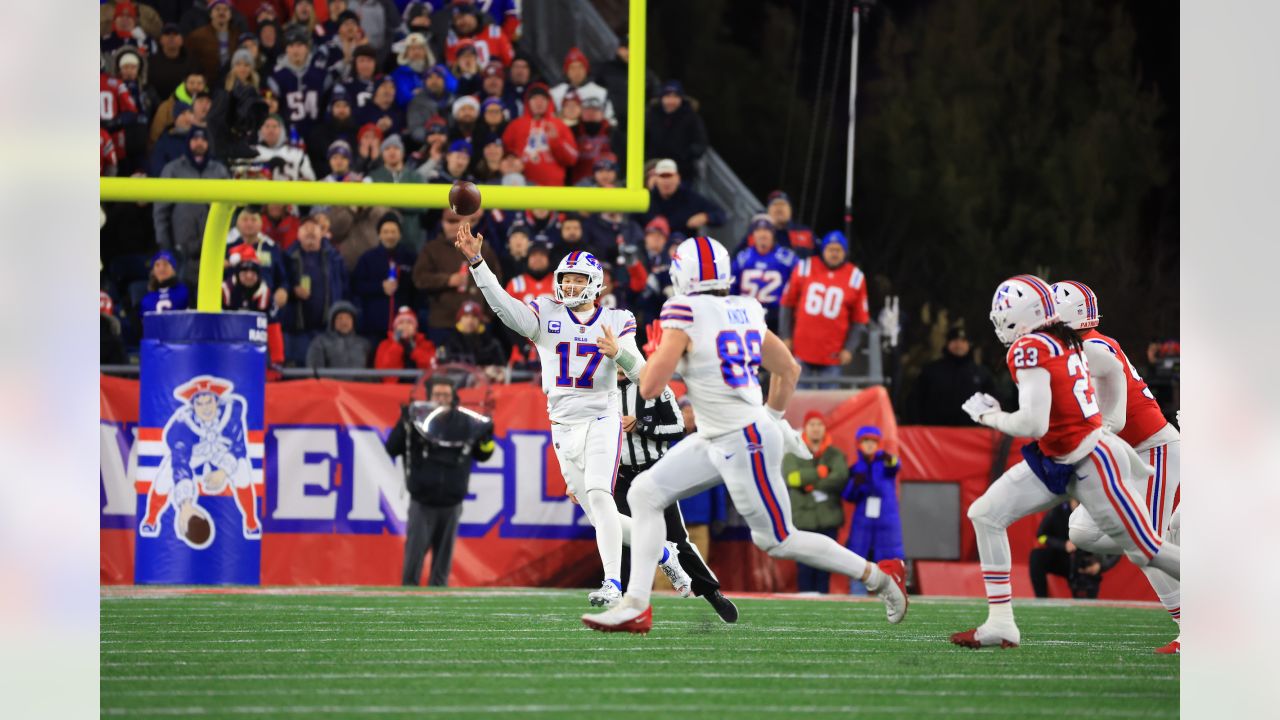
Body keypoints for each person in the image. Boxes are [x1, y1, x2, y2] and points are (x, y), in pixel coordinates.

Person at [582, 236, 908, 633]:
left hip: (742, 439)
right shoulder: (746, 308)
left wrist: (633, 353)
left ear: (682, 273)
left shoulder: (682, 310)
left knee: (778, 540)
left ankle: (881, 577)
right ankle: (636, 604)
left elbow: (648, 387)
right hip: (723, 434)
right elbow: (788, 369)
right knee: (645, 493)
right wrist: (773, 416)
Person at [454, 224, 696, 608]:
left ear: (595, 283)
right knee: (603, 517)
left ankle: (613, 583)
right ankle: (665, 553)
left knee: (602, 496)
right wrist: (477, 262)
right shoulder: (545, 311)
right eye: (564, 279)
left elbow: (644, 375)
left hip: (603, 417)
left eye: (577, 279)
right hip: (563, 425)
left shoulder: (617, 320)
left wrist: (619, 353)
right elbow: (503, 306)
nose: (568, 286)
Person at [950, 274, 1180, 649]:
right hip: (1058, 458)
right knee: (990, 515)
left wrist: (988, 416)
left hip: (1093, 457)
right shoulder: (1068, 339)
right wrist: (1110, 420)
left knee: (1147, 550)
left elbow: (1032, 422)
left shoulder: (1035, 347)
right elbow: (1109, 370)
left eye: (1004, 314)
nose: (998, 322)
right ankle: (1000, 623)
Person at [1053, 280, 1183, 654]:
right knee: (1081, 531)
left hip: (1151, 451)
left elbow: (1117, 419)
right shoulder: (1081, 347)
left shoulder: (1092, 348)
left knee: (1147, 545)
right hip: (1129, 456)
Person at [615, 369, 738, 621]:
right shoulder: (600, 391)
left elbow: (677, 427)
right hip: (620, 476)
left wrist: (641, 426)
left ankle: (711, 593)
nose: (617, 368)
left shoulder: (656, 389)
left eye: (622, 360)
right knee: (622, 540)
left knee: (678, 540)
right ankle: (624, 603)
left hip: (653, 474)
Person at [386, 377, 494, 586]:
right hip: (422, 502)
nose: (441, 399)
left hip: (452, 503)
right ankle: (407, 606)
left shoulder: (465, 422)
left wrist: (487, 439)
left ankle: (439, 612)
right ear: (429, 397)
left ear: (453, 398)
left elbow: (483, 455)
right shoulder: (416, 421)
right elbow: (392, 448)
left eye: (445, 395)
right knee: (412, 565)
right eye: (437, 395)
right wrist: (403, 424)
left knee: (442, 570)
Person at [779, 231, 870, 388]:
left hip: (832, 354)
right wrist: (786, 336)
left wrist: (849, 348)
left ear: (845, 252)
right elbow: (787, 304)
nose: (834, 254)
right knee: (798, 400)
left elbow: (859, 319)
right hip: (801, 349)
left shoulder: (855, 277)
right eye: (830, 249)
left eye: (838, 250)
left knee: (828, 405)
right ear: (823, 250)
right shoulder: (805, 267)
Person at [154, 127, 231, 290]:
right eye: (195, 139)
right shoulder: (173, 169)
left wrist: (227, 246)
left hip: (213, 248)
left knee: (213, 296)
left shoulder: (219, 170)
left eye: (203, 139)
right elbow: (161, 211)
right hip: (181, 249)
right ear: (188, 142)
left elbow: (230, 211)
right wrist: (165, 246)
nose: (199, 143)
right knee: (181, 297)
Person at [783, 412, 850, 594]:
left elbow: (841, 478)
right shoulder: (793, 453)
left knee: (825, 566)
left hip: (828, 519)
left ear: (824, 428)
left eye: (819, 424)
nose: (816, 428)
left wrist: (810, 483)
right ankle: (805, 602)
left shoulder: (835, 454)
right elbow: (792, 478)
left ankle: (824, 603)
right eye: (812, 424)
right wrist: (820, 473)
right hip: (803, 519)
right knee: (804, 566)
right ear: (806, 427)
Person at [412, 210, 501, 346]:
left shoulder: (483, 249)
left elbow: (497, 283)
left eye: (459, 221)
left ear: (468, 223)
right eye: (450, 221)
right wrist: (447, 280)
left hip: (476, 324)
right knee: (442, 366)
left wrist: (488, 315)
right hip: (443, 323)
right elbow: (419, 279)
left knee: (478, 366)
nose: (455, 226)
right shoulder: (431, 249)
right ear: (442, 223)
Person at [841, 426, 905, 595]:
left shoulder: (885, 463)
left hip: (886, 524)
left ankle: (889, 599)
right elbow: (848, 496)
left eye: (873, 442)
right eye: (865, 441)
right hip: (862, 525)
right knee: (859, 565)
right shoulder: (856, 469)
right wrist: (856, 484)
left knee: (887, 565)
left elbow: (896, 465)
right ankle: (857, 601)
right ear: (859, 444)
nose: (869, 445)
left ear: (878, 444)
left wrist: (890, 459)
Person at [283, 215, 347, 365]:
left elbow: (345, 288)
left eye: (314, 228)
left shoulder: (335, 258)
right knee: (297, 374)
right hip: (296, 331)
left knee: (327, 374)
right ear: (298, 234)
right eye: (306, 228)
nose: (310, 232)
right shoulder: (287, 257)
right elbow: (281, 284)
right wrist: (293, 291)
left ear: (322, 232)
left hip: (328, 330)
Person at [908, 326, 1000, 426]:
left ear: (969, 344)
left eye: (963, 341)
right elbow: (915, 400)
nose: (959, 345)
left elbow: (994, 401)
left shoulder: (981, 373)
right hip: (935, 433)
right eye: (955, 340)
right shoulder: (931, 370)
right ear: (947, 343)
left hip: (972, 434)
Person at [351, 213, 418, 344]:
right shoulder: (368, 258)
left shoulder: (410, 257)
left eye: (393, 232)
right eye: (385, 232)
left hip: (405, 328)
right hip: (373, 327)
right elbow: (356, 286)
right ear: (379, 235)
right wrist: (380, 287)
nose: (390, 236)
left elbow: (416, 288)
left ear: (400, 234)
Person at [1029, 500, 1118, 600]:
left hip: (1088, 563)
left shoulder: (1099, 512)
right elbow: (1041, 536)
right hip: (1064, 559)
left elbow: (1119, 544)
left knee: (1086, 603)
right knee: (1037, 556)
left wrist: (1101, 565)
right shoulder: (1057, 510)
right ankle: (1041, 600)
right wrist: (1063, 545)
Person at [221, 246, 286, 369]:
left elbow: (273, 327)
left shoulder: (265, 295)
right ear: (237, 273)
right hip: (226, 348)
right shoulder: (224, 291)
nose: (249, 276)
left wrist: (277, 360)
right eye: (245, 272)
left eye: (253, 272)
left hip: (255, 349)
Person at [502, 83, 579, 186]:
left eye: (543, 99)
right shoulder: (515, 126)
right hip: (522, 188)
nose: (539, 103)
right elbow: (505, 156)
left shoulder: (559, 125)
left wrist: (556, 141)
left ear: (549, 102)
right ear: (528, 102)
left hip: (553, 189)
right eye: (534, 98)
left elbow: (572, 159)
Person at [733, 214, 797, 332]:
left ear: (773, 233)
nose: (763, 234)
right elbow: (732, 289)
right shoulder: (742, 258)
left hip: (776, 318)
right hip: (746, 317)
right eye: (759, 230)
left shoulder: (787, 258)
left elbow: (797, 288)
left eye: (767, 230)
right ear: (753, 234)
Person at [267, 26, 331, 137]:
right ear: (286, 49)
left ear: (307, 48)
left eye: (299, 45)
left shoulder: (320, 73)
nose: (295, 50)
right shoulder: (276, 76)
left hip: (317, 133)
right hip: (287, 134)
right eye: (291, 46)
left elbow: (328, 105)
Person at [368, 135, 428, 249]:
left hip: (412, 237)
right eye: (387, 149)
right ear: (382, 154)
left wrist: (392, 202)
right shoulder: (374, 176)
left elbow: (424, 206)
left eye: (396, 148)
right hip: (381, 238)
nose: (392, 151)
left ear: (402, 152)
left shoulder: (415, 177)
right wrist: (407, 201)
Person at [645, 80, 708, 181]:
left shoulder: (691, 117)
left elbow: (700, 142)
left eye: (675, 96)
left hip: (682, 171)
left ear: (681, 98)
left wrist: (686, 155)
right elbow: (643, 139)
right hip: (654, 170)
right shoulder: (651, 114)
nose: (671, 100)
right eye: (668, 96)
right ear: (662, 98)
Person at [641, 159, 725, 234]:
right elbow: (632, 222)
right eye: (662, 176)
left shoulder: (690, 198)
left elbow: (720, 214)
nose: (666, 181)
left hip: (683, 246)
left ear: (678, 178)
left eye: (669, 176)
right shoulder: (647, 199)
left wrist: (706, 217)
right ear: (656, 180)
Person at [438, 300, 506, 376]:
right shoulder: (447, 340)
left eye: (474, 317)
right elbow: (442, 365)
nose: (470, 321)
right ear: (460, 319)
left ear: (479, 320)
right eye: (466, 316)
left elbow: (501, 366)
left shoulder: (491, 342)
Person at [550, 47, 616, 125]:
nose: (577, 72)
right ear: (566, 72)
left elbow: (611, 120)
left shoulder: (601, 92)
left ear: (586, 70)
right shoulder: (555, 93)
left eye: (580, 67)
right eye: (572, 68)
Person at [374, 306, 437, 383]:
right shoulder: (385, 345)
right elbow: (384, 372)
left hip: (420, 388)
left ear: (415, 328)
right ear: (395, 328)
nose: (405, 326)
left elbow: (433, 367)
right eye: (401, 323)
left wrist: (414, 351)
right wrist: (397, 345)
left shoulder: (426, 345)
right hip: (393, 389)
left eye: (409, 323)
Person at [185, 0, 236, 86]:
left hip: (231, 85)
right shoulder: (197, 36)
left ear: (230, 15)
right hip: (205, 85)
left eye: (225, 9)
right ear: (210, 14)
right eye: (217, 9)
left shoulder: (237, 36)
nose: (221, 12)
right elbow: (190, 63)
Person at [306, 301, 370, 369]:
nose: (344, 322)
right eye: (339, 318)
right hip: (329, 380)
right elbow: (314, 373)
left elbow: (371, 373)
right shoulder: (320, 343)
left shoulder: (364, 344)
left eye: (348, 318)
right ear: (332, 322)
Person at [254, 114, 316, 181]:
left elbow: (311, 180)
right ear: (261, 130)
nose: (271, 130)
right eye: (267, 126)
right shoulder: (251, 153)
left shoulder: (297, 155)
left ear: (282, 130)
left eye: (274, 126)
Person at [150, 23, 198, 101]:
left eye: (175, 34)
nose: (171, 37)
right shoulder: (151, 62)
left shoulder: (192, 62)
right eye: (167, 34)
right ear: (161, 40)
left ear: (182, 40)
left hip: (185, 105)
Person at [763, 191, 815, 257]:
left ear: (790, 209)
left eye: (783, 204)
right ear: (768, 210)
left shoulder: (806, 232)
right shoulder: (757, 232)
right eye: (775, 204)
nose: (779, 208)